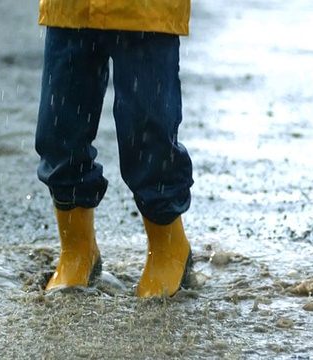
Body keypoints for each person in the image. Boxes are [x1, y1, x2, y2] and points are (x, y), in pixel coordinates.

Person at [35, 0, 194, 298]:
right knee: (59, 129)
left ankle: (168, 247)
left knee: (147, 128)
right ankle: (77, 250)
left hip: (148, 11)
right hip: (70, 9)